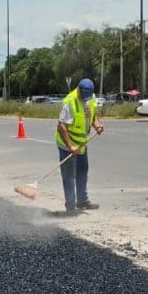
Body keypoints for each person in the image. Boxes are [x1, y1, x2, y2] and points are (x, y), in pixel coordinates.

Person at [55, 78, 105, 215]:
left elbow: (93, 115)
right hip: (67, 144)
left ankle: (82, 201)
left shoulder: (92, 98)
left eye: (87, 96)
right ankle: (70, 206)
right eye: (82, 95)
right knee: (69, 176)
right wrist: (70, 146)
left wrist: (97, 126)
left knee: (83, 172)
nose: (85, 99)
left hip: (82, 143)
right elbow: (61, 126)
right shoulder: (69, 102)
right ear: (78, 90)